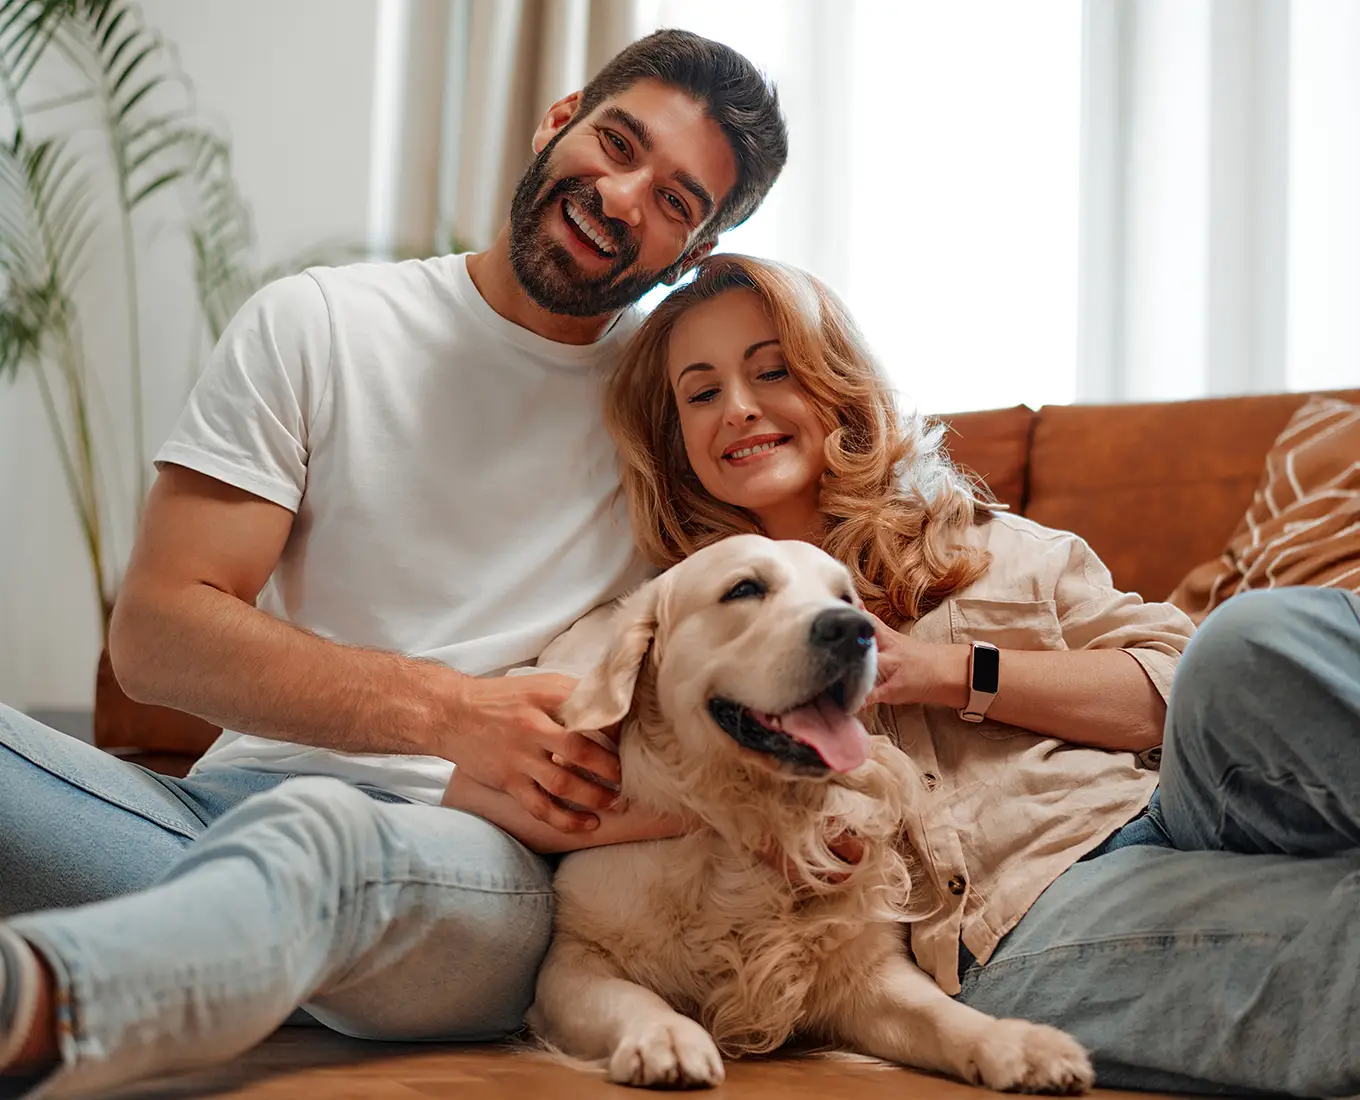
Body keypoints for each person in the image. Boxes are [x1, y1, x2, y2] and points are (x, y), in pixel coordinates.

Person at [0, 30, 788, 1096]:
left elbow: (781, 635)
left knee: (327, 836)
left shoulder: (673, 420)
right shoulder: (318, 322)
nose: (621, 196)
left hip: (471, 880)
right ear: (558, 119)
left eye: (675, 200)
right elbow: (157, 633)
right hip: (210, 819)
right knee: (284, 829)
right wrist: (448, 714)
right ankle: (193, 950)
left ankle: (49, 1005)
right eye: (616, 143)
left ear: (690, 255)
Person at [591, 252, 1360, 1097]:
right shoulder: (689, 633)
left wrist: (947, 671)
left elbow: (1176, 688)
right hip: (1033, 910)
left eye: (772, 370)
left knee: (1254, 640)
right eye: (701, 393)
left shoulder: (992, 543)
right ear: (677, 438)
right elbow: (585, 776)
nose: (737, 407)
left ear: (834, 384)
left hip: (1185, 796)